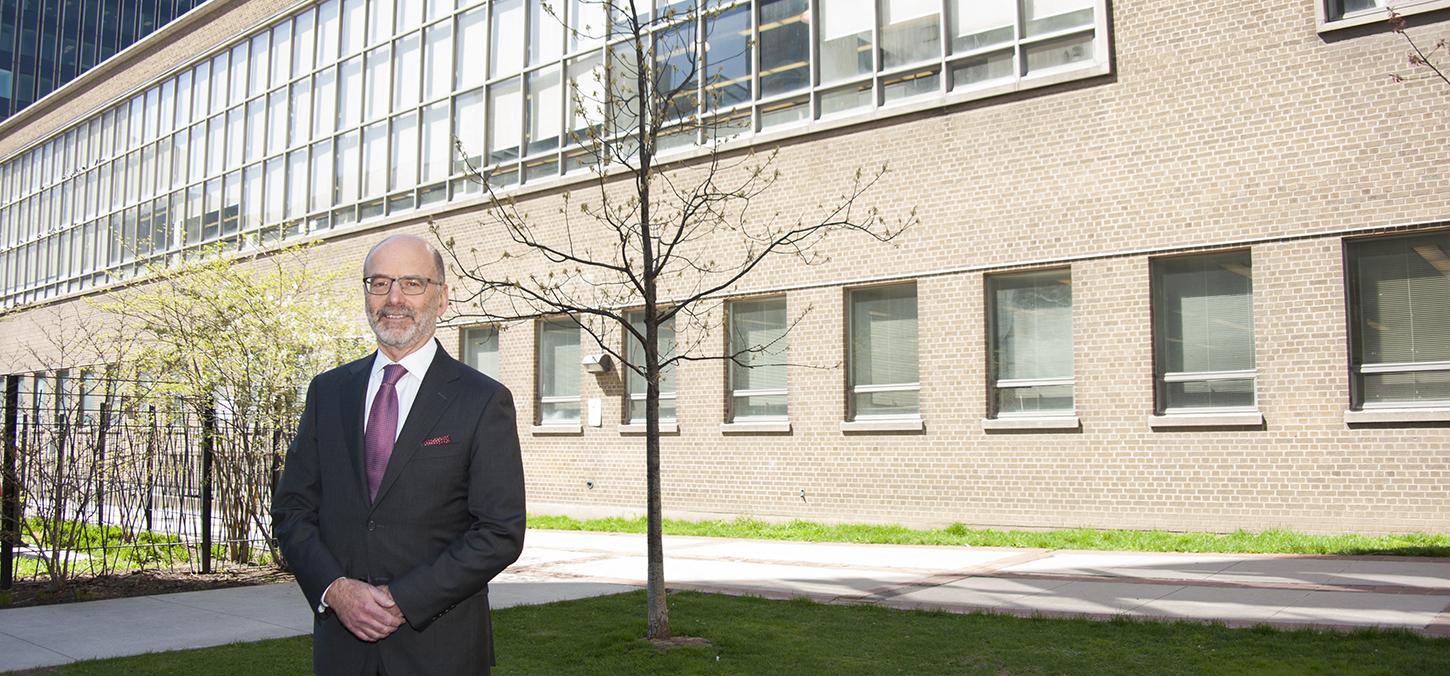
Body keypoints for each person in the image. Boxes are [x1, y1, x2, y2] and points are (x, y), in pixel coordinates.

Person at [273, 234, 526, 675]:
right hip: (342, 653)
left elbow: (499, 531)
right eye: (379, 283)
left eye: (412, 282)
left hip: (440, 651)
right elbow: (293, 510)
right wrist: (335, 589)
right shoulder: (327, 393)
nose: (394, 298)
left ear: (442, 298)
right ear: (366, 295)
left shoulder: (482, 400)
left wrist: (404, 600)